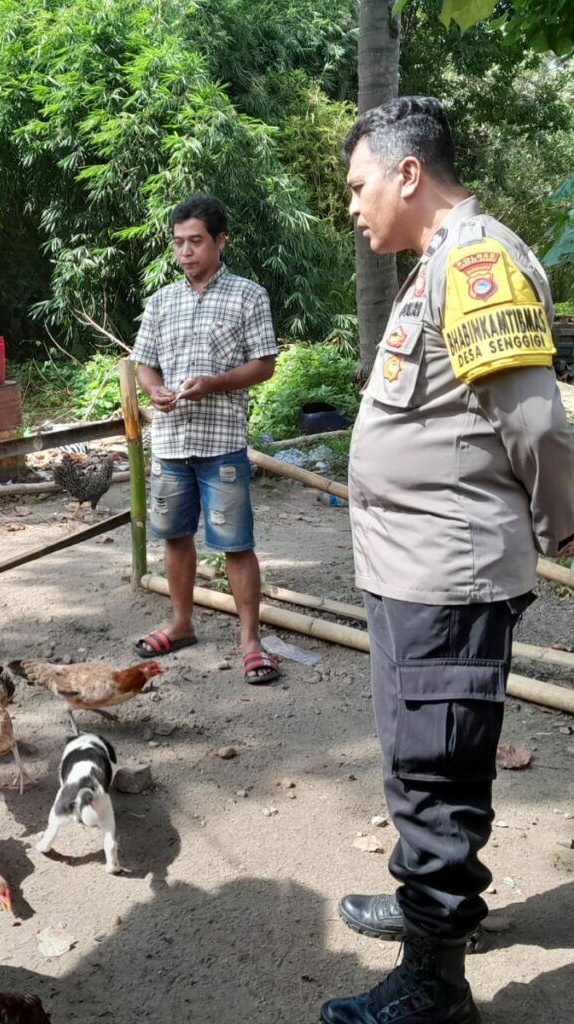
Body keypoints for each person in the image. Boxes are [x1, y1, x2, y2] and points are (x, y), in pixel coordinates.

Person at [325, 96, 574, 1024]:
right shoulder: (436, 264)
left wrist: (566, 525)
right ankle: (429, 910)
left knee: (436, 769)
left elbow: (537, 421)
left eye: (358, 186)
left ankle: (436, 986)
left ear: (406, 174)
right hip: (413, 572)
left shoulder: (474, 261)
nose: (352, 206)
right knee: (417, 758)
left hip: (450, 575)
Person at [130, 193, 280, 684]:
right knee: (174, 536)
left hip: (222, 443)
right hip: (171, 442)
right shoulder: (161, 301)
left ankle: (251, 641)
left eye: (196, 241)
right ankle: (181, 624)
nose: (186, 251)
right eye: (178, 243)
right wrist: (153, 389)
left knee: (235, 543)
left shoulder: (248, 295)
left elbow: (264, 363)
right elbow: (144, 363)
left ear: (220, 241)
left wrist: (212, 383)